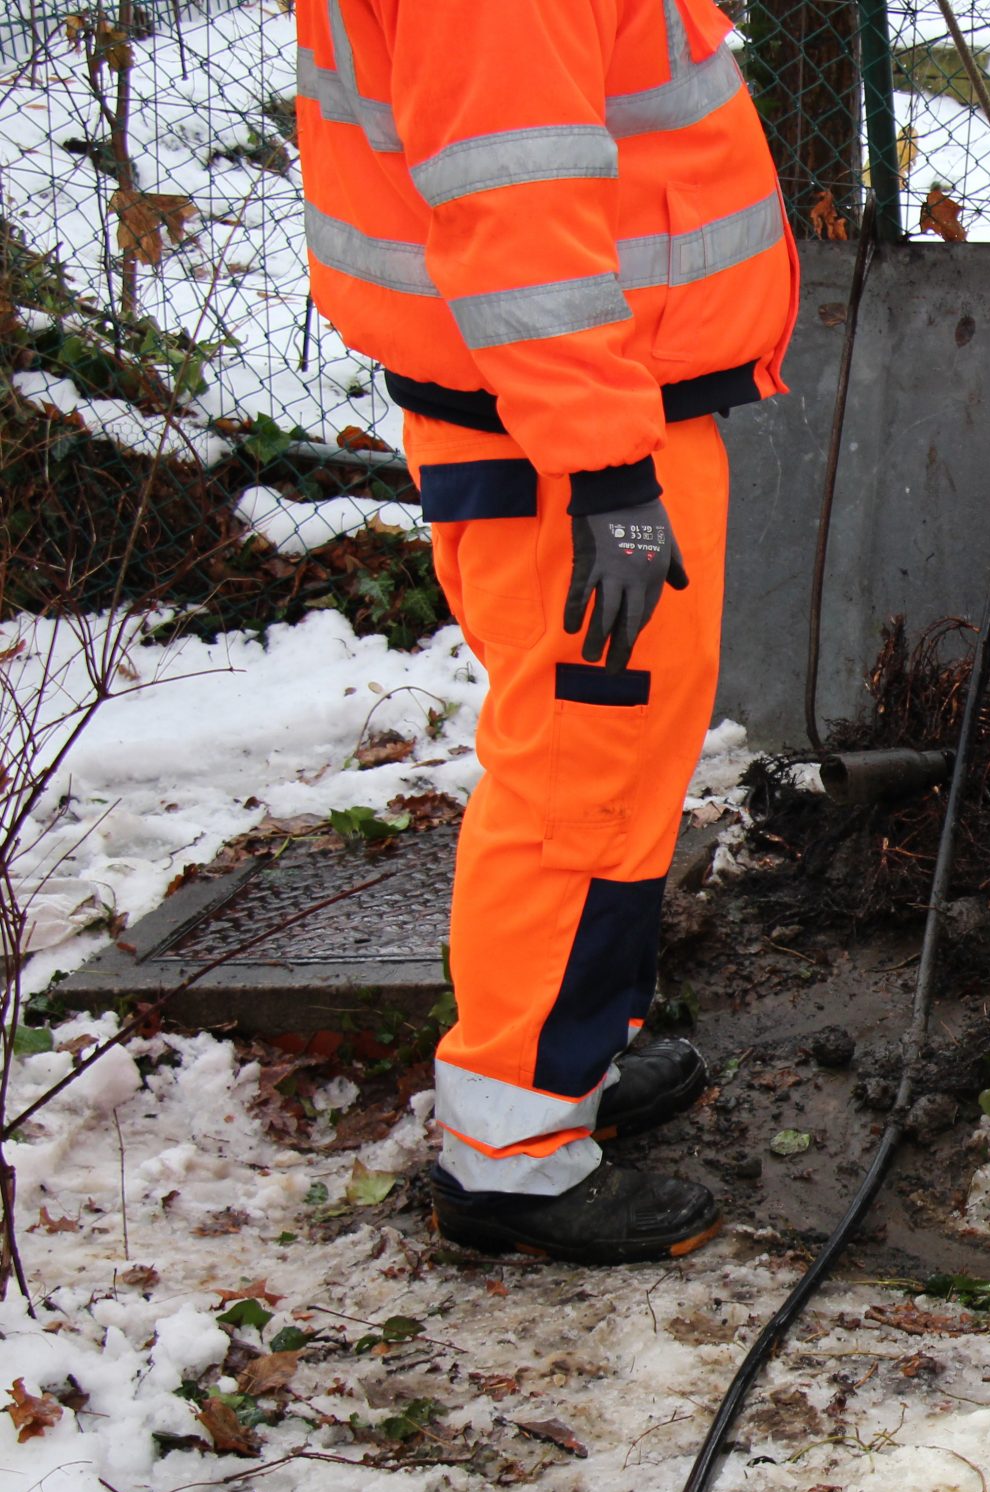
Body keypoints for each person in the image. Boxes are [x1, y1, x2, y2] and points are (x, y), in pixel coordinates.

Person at [298, 0, 797, 1262]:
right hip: (568, 444)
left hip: (571, 425)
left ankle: (561, 1069)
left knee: (609, 776)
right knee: (578, 788)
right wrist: (608, 473)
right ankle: (512, 1157)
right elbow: (518, 217)